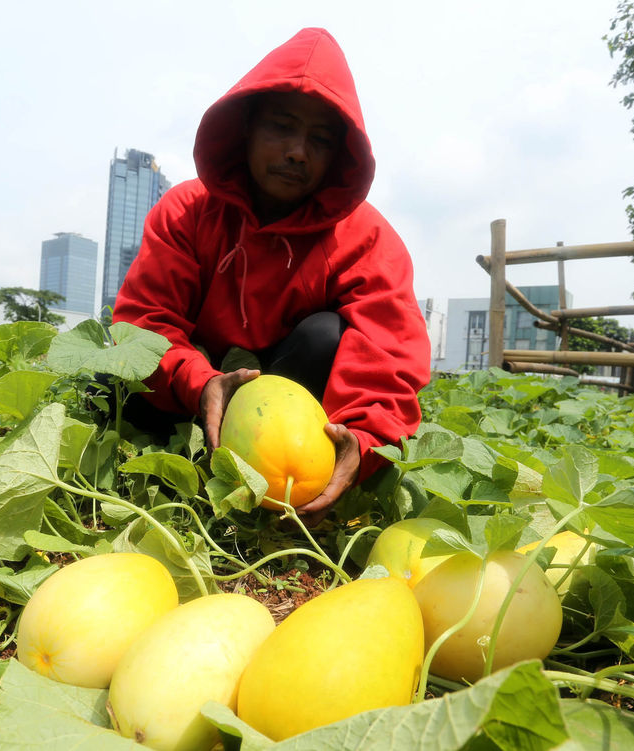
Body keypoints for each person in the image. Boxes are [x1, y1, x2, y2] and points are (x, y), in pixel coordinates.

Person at [112, 27, 431, 524]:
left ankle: (288, 481)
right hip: (195, 390)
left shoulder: (365, 237)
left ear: (338, 156)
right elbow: (144, 321)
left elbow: (388, 354)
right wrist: (202, 384)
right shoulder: (187, 210)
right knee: (112, 378)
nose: (298, 152)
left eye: (320, 140)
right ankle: (183, 463)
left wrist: (363, 443)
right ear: (246, 129)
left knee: (327, 334)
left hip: (290, 413)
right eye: (281, 128)